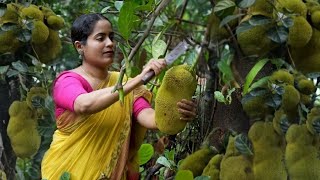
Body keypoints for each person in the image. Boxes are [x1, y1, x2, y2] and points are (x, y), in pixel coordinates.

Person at [41, 13, 197, 180]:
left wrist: (177, 112)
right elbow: (83, 104)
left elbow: (152, 119)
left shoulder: (126, 84)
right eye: (100, 38)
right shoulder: (67, 81)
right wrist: (138, 80)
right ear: (80, 47)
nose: (110, 43)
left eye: (111, 37)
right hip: (66, 172)